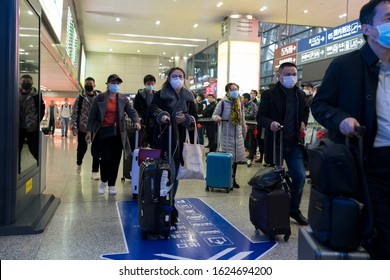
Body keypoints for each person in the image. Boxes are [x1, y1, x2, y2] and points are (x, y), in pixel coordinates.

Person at [311, 0, 390, 259]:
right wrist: (341, 119)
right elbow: (321, 104)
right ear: (367, 29)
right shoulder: (346, 66)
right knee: (381, 235)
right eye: (388, 19)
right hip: (369, 163)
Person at [257, 62, 309, 226]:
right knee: (273, 179)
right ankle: (272, 212)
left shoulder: (299, 94)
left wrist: (303, 122)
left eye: (294, 74)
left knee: (300, 177)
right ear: (279, 76)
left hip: (294, 144)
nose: (291, 77)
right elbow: (261, 117)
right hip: (276, 143)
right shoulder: (269, 95)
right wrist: (270, 123)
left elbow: (305, 111)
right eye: (287, 74)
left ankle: (294, 209)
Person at [149, 67, 198, 222]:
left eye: (181, 76)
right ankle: (163, 202)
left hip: (181, 141)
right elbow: (152, 110)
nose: (178, 79)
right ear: (169, 78)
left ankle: (171, 201)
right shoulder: (160, 95)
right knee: (166, 172)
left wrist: (186, 119)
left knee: (175, 174)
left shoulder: (189, 96)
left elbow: (195, 117)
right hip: (165, 139)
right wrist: (163, 116)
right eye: (174, 76)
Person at [86, 74, 141, 195]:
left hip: (118, 134)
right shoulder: (99, 98)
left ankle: (112, 185)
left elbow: (132, 111)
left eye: (118, 83)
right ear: (108, 84)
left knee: (116, 160)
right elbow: (92, 116)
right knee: (106, 159)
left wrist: (136, 121)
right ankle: (104, 181)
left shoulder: (123, 99)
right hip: (103, 134)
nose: (116, 85)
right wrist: (89, 131)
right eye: (113, 83)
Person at [212, 82, 247, 188]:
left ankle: (233, 179)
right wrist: (217, 118)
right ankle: (225, 178)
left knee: (235, 159)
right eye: (232, 89)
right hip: (226, 134)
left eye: (236, 89)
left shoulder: (239, 103)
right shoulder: (222, 103)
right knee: (227, 158)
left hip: (238, 135)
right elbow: (214, 115)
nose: (234, 91)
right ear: (227, 91)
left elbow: (243, 119)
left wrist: (244, 131)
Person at [70, 77, 100, 178]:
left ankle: (95, 172)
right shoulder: (80, 98)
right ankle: (79, 163)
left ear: (94, 85)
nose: (88, 85)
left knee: (96, 151)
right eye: (87, 83)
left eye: (90, 83)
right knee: (82, 149)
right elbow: (74, 112)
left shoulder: (100, 97)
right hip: (83, 128)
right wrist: (73, 127)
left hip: (96, 129)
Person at [18, 74, 45, 173]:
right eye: (23, 82)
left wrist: (36, 121)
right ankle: (17, 171)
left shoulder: (37, 95)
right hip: (18, 128)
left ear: (32, 83)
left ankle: (40, 168)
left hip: (32, 128)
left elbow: (41, 111)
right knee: (17, 151)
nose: (25, 83)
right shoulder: (15, 94)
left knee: (34, 149)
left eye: (28, 82)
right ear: (20, 83)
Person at [133, 74, 157, 148]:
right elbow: (135, 109)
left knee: (154, 143)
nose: (150, 85)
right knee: (142, 144)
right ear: (145, 84)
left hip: (154, 123)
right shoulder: (140, 95)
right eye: (148, 84)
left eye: (152, 84)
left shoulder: (156, 95)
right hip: (143, 124)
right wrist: (139, 118)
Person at [242, 93, 258, 167]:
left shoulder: (253, 105)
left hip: (252, 126)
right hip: (245, 126)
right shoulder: (243, 106)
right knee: (246, 142)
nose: (242, 99)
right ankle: (250, 154)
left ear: (246, 99)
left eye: (243, 98)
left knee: (251, 142)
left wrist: (243, 117)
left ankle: (251, 156)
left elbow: (252, 115)